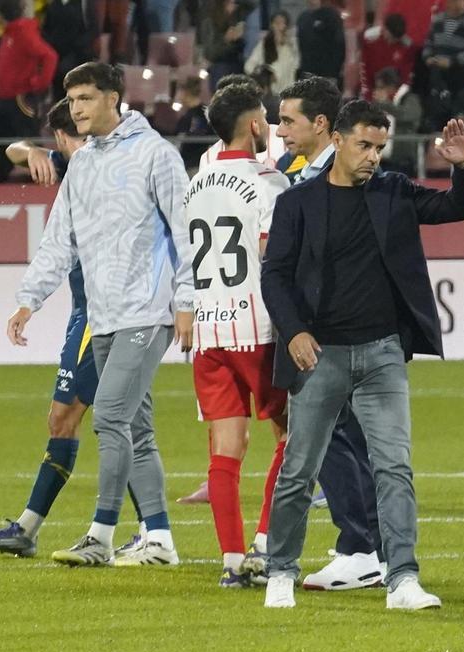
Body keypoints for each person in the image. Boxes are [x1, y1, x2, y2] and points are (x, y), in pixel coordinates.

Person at [260, 104, 464, 610]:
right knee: (299, 469)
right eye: (364, 145)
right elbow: (274, 275)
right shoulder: (298, 203)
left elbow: (457, 208)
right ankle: (281, 572)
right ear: (336, 139)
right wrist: (293, 331)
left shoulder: (394, 191)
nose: (373, 157)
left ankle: (401, 578)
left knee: (394, 468)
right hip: (320, 355)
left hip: (382, 355)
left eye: (380, 147)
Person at [8, 62, 193, 567]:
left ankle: (101, 535)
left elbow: (184, 232)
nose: (77, 109)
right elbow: (58, 239)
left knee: (109, 417)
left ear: (115, 98)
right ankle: (159, 541)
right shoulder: (85, 163)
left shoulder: (157, 155)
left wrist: (185, 302)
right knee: (135, 428)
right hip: (105, 316)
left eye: (87, 98)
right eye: (72, 101)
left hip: (148, 311)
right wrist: (31, 298)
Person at [0, 96, 146, 558]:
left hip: (104, 313)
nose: (56, 150)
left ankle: (40, 528)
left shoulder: (109, 173)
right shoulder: (71, 163)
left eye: (58, 141)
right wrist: (28, 150)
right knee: (110, 420)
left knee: (88, 420)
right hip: (85, 310)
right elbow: (10, 149)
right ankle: (148, 529)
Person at [266, 76, 389, 592]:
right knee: (345, 436)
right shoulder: (290, 173)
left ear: (322, 126)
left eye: (289, 120)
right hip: (312, 326)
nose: (280, 130)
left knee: (334, 436)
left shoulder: (350, 178)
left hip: (336, 331)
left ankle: (360, 546)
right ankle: (369, 547)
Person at [183, 83, 292, 588]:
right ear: (253, 125)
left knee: (225, 451)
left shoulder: (195, 185)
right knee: (292, 436)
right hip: (260, 328)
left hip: (209, 332)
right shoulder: (270, 183)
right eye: (266, 118)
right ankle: (267, 545)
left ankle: (231, 562)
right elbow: (275, 258)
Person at [0, 0, 56, 183]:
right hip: (3, 96)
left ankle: (42, 175)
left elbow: (49, 56)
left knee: (28, 136)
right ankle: (1, 172)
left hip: (18, 98)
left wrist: (38, 84)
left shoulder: (23, 32)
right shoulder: (11, 32)